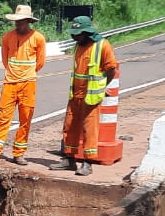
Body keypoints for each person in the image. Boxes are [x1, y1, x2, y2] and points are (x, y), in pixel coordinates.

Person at [49, 15, 118, 176]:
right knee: (69, 127)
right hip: (75, 95)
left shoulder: (102, 45)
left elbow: (111, 68)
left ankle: (88, 162)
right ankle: (69, 159)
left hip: (91, 96)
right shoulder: (78, 46)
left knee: (89, 129)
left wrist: (102, 86)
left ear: (87, 32)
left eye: (78, 34)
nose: (75, 37)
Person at [0, 4, 46, 165]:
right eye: (16, 21)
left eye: (20, 21)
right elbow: (5, 60)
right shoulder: (7, 37)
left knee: (25, 120)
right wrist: (14, 72)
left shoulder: (38, 38)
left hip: (28, 83)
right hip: (10, 83)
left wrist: (26, 73)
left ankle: (19, 153)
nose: (17, 24)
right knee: (3, 118)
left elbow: (40, 63)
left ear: (27, 21)